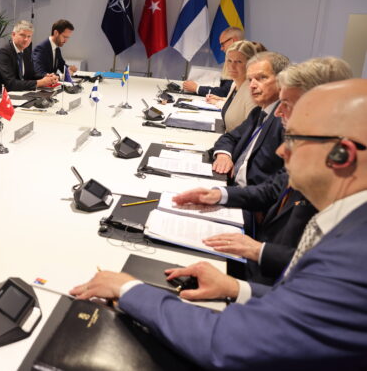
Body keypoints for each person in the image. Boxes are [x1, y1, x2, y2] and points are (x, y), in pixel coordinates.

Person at [71, 78, 367, 370]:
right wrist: (237, 288)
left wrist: (130, 290)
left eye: (293, 139)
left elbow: (232, 343)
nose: (281, 151)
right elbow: (307, 310)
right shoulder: (350, 224)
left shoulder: (354, 257)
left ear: (341, 155)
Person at [174, 57, 353, 283]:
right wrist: (218, 195)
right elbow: (273, 188)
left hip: (269, 277)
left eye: (287, 104)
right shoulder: (306, 146)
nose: (279, 113)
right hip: (259, 261)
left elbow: (322, 271)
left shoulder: (341, 178)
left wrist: (257, 252)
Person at [211, 51, 290, 187]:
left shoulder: (284, 120)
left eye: (261, 78)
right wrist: (224, 155)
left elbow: (275, 186)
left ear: (282, 81)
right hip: (231, 185)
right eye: (250, 79)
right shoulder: (259, 112)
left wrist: (226, 195)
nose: (252, 85)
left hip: (249, 199)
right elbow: (230, 137)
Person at [0, 20, 58, 98]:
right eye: (22, 35)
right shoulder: (3, 53)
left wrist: (46, 77)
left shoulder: (26, 51)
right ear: (13, 35)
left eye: (29, 36)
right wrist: (40, 83)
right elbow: (11, 83)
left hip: (15, 93)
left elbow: (30, 75)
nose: (26, 39)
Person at [208, 40, 265, 132]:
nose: (232, 66)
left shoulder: (252, 91)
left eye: (238, 62)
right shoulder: (235, 84)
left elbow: (250, 131)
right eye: (229, 61)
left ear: (250, 64)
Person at [183, 26, 244, 97]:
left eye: (222, 44)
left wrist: (197, 88)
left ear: (233, 40)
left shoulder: (240, 61)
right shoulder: (233, 58)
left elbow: (225, 92)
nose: (221, 48)